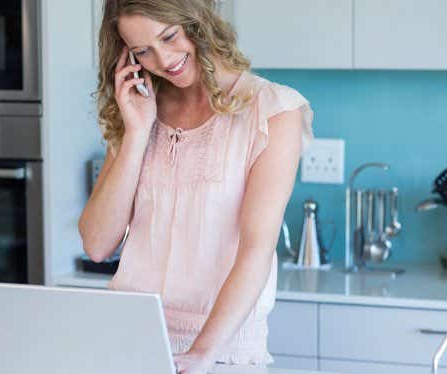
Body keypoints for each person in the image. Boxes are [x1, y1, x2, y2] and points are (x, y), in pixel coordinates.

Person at [79, 1, 314, 373]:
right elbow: (96, 243)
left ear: (197, 21)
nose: (164, 59)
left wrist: (201, 353)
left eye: (169, 36)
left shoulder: (272, 111)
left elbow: (256, 249)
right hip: (130, 339)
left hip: (222, 348)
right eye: (143, 51)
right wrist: (137, 134)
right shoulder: (141, 109)